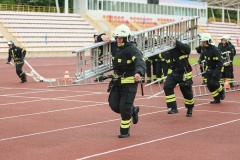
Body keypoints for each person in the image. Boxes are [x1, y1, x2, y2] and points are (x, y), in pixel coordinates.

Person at [102, 24, 146, 138]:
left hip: (129, 84)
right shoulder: (114, 46)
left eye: (121, 38)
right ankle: (133, 110)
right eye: (117, 38)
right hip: (117, 83)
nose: (119, 40)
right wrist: (101, 36)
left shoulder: (132, 49)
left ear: (127, 38)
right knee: (114, 105)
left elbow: (140, 62)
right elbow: (98, 41)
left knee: (124, 107)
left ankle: (124, 131)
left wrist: (138, 73)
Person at [161, 39, 194, 117]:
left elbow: (188, 50)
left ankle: (189, 108)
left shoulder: (180, 48)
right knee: (167, 87)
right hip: (173, 73)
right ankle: (173, 108)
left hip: (184, 73)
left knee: (186, 92)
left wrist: (177, 42)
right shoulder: (166, 51)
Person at [199, 33, 225, 104]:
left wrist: (216, 72)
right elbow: (202, 55)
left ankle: (222, 91)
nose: (203, 43)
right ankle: (217, 98)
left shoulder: (215, 49)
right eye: (202, 42)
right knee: (209, 85)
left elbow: (220, 62)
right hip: (209, 68)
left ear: (208, 41)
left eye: (204, 42)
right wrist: (200, 60)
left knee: (214, 83)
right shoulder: (204, 48)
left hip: (216, 68)